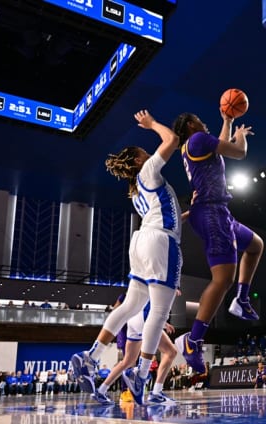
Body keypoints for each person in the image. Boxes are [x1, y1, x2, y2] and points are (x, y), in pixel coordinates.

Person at [71, 109, 182, 406]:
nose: (149, 154)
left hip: (142, 241)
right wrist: (152, 124)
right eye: (145, 152)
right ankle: (142, 373)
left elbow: (164, 216)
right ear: (137, 160)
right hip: (161, 241)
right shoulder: (147, 171)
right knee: (158, 310)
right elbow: (172, 139)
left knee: (132, 304)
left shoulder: (136, 193)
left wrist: (187, 213)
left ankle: (90, 355)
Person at [172, 110, 263, 375]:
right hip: (212, 213)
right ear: (190, 124)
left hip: (216, 211)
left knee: (256, 245)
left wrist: (228, 121)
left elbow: (221, 150)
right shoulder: (198, 139)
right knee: (222, 279)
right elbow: (238, 153)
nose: (203, 121)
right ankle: (193, 340)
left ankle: (242, 300)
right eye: (199, 119)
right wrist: (240, 137)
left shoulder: (196, 145)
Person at [91, 302, 178, 405]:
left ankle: (101, 390)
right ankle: (155, 391)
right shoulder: (163, 286)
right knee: (170, 352)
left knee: (127, 361)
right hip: (146, 317)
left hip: (133, 318)